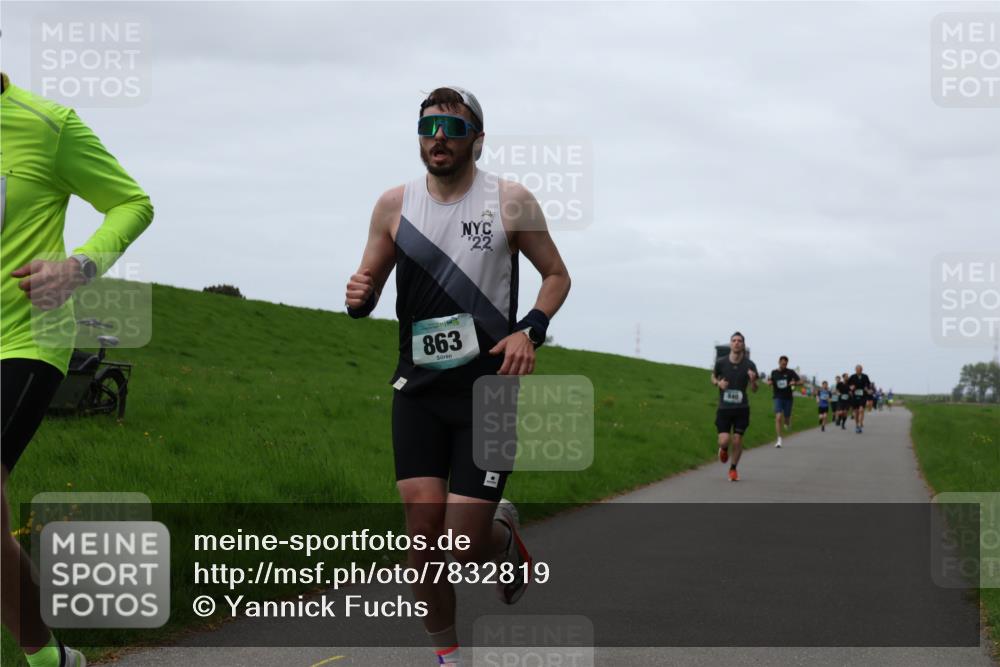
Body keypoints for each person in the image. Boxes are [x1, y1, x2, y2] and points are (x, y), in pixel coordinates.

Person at [344, 86, 571, 667]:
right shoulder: (394, 205)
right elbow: (367, 283)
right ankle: (448, 655)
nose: (438, 136)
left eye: (451, 125)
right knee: (422, 539)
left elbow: (556, 277)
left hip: (488, 392)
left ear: (476, 138)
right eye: (427, 126)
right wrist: (360, 293)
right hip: (418, 390)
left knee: (463, 546)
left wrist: (530, 330)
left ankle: (504, 541)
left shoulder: (510, 201)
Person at [1, 71, 154, 667]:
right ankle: (51, 660)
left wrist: (78, 267)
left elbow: (132, 202)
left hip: (25, 336)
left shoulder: (47, 126)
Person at [711, 332, 759, 482]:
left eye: (739, 341)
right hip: (724, 408)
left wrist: (752, 381)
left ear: (743, 345)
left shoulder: (749, 365)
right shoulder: (721, 362)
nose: (737, 343)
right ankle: (724, 449)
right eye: (734, 340)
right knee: (724, 440)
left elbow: (755, 389)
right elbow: (712, 376)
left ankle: (733, 469)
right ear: (731, 344)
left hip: (742, 408)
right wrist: (718, 383)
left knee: (737, 439)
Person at [767, 355, 800, 447]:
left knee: (786, 418)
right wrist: (769, 383)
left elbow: (801, 381)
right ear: (779, 362)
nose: (783, 365)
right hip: (778, 397)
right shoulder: (774, 372)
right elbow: (770, 381)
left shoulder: (790, 372)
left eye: (785, 364)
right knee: (778, 417)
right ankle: (779, 440)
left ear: (787, 364)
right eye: (782, 363)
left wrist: (795, 383)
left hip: (788, 398)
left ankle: (787, 422)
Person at [847, 364, 873, 434]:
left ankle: (860, 423)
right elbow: (848, 385)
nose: (859, 371)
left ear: (862, 370)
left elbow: (868, 384)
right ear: (855, 370)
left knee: (861, 410)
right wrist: (850, 388)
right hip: (855, 396)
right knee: (856, 412)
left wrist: (868, 389)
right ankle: (857, 425)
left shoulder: (865, 376)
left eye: (860, 370)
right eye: (857, 370)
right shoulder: (852, 377)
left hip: (863, 396)